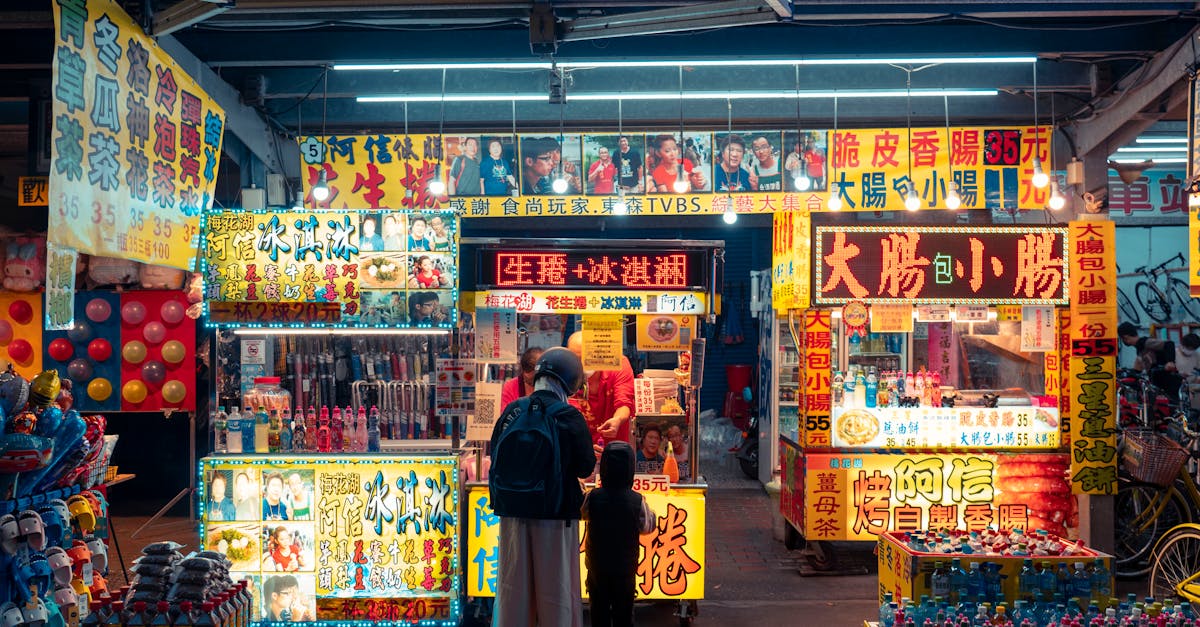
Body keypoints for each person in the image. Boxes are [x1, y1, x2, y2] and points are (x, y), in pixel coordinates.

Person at [489, 347, 595, 627]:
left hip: (512, 516)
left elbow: (495, 455)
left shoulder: (513, 411)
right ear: (570, 382)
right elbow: (585, 466)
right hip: (555, 518)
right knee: (557, 595)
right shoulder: (568, 415)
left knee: (513, 593)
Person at [581, 441, 656, 627]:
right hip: (625, 568)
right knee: (624, 613)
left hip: (597, 566)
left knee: (598, 612)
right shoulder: (637, 500)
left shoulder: (593, 497)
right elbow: (647, 527)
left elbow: (581, 513)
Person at [566, 331, 635, 446]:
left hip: (614, 447)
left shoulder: (617, 364)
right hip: (579, 448)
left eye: (588, 357)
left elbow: (624, 403)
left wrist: (617, 419)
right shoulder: (565, 372)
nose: (583, 364)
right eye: (577, 359)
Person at [1118, 321, 1181, 399]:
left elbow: (1169, 344)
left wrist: (1170, 362)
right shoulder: (1140, 349)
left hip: (1169, 381)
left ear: (1125, 337)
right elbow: (1138, 369)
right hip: (1158, 383)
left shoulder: (1146, 342)